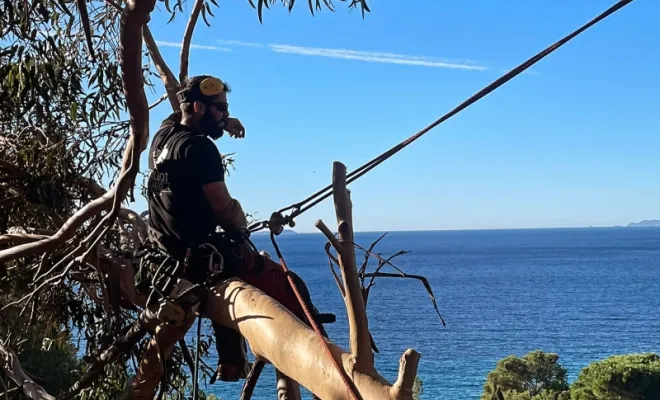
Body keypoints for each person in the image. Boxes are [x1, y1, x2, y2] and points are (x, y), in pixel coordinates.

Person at [126, 75, 326, 399]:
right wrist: (242, 230)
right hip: (195, 258)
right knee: (292, 288)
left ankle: (232, 363)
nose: (225, 114)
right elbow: (223, 207)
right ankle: (316, 369)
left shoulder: (165, 135)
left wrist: (224, 120)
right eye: (220, 108)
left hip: (163, 248)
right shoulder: (200, 149)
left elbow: (180, 115)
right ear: (198, 107)